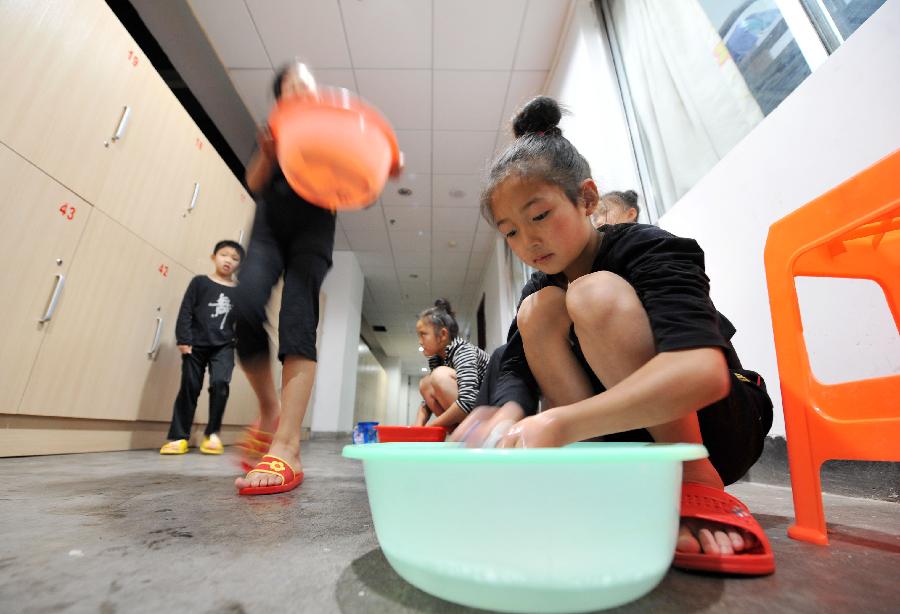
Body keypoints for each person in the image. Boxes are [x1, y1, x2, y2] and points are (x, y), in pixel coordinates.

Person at [453, 96, 775, 576]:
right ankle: (602, 477)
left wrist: (561, 425)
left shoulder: (651, 248)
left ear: (586, 199)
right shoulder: (541, 287)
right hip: (626, 436)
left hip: (716, 428)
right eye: (511, 233)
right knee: (536, 311)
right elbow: (514, 364)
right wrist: (507, 412)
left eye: (539, 217)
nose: (528, 243)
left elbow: (703, 373)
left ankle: (691, 476)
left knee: (592, 294)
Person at [234, 62, 401, 495]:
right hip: (270, 228)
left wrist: (378, 165)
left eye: (307, 85)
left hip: (313, 229)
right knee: (245, 306)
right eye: (293, 86)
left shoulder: (328, 129)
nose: (303, 91)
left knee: (298, 314)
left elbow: (358, 184)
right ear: (280, 97)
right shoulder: (275, 133)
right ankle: (270, 407)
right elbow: (254, 182)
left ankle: (286, 445)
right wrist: (269, 154)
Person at [160, 240, 244, 455]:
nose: (229, 261)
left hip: (224, 346)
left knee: (220, 384)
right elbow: (186, 310)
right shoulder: (199, 282)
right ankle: (179, 437)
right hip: (195, 345)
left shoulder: (240, 292)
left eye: (235, 259)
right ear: (214, 257)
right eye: (224, 255)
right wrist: (183, 339)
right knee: (189, 387)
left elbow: (243, 321)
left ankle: (212, 434)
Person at [415, 299, 490, 431]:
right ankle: (459, 432)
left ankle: (478, 431)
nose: (420, 341)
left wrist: (431, 427)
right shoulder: (436, 359)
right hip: (472, 412)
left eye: (423, 335)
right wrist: (416, 429)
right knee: (425, 384)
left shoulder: (463, 351)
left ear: (443, 335)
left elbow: (468, 401)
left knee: (438, 376)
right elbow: (430, 398)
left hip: (489, 414)